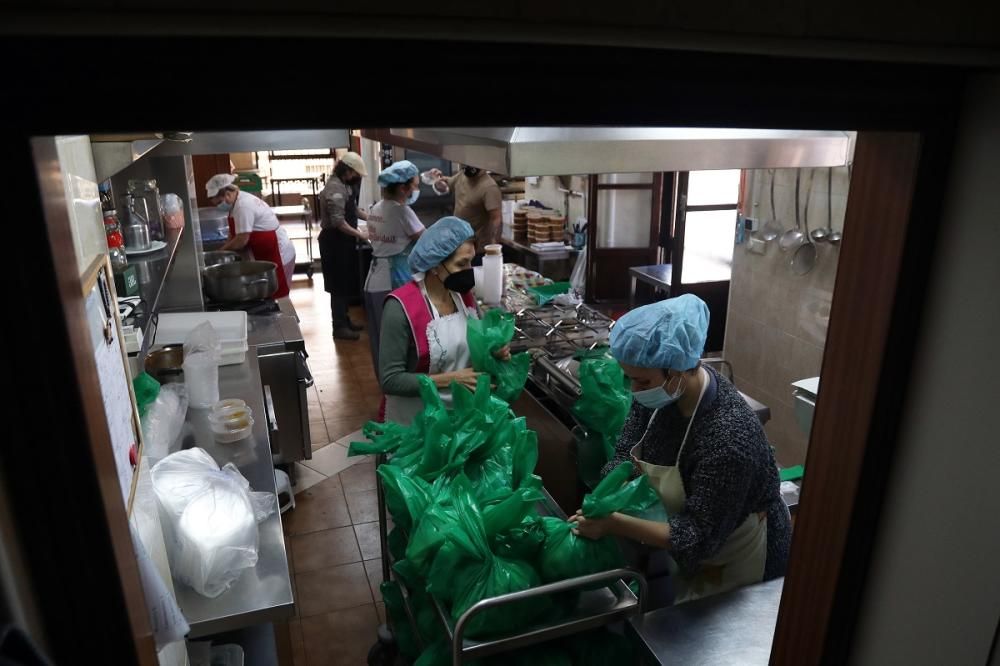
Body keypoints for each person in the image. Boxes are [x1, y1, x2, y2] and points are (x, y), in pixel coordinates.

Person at [570, 294, 791, 604]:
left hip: (741, 555)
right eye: (629, 379)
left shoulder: (728, 438)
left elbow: (696, 536)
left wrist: (613, 523)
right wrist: (603, 495)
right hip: (696, 549)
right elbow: (626, 453)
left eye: (642, 382)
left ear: (678, 371)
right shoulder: (659, 393)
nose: (634, 391)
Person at [378, 216, 511, 425]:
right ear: (434, 266)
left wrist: (492, 350)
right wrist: (450, 379)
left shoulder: (463, 296)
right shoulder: (400, 307)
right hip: (416, 423)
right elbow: (390, 380)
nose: (469, 270)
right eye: (461, 263)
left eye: (471, 261)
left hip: (458, 418)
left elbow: (474, 345)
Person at [364, 160, 426, 374]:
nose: (416, 190)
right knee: (399, 337)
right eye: (415, 186)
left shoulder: (375, 208)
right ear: (403, 188)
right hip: (394, 279)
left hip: (373, 279)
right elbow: (427, 241)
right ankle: (399, 380)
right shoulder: (402, 212)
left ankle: (385, 379)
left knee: (380, 336)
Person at [205, 174, 295, 298]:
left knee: (278, 294)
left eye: (219, 202)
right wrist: (225, 249)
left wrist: (221, 252)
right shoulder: (235, 204)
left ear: (228, 194)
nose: (219, 206)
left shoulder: (243, 206)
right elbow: (234, 233)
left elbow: (242, 239)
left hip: (278, 252)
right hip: (265, 252)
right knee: (270, 292)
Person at [319, 152, 369, 340]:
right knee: (337, 286)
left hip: (344, 241)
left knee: (345, 282)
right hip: (333, 241)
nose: (356, 178)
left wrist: (372, 218)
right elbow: (338, 222)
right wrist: (360, 234)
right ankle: (339, 327)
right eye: (355, 174)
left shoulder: (345, 185)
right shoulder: (335, 188)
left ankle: (345, 320)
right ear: (347, 171)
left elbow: (353, 210)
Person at [431, 165, 502, 253]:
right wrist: (437, 180)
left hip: (477, 249)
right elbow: (446, 186)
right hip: (458, 244)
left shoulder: (489, 187)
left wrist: (493, 247)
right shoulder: (462, 175)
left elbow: (496, 218)